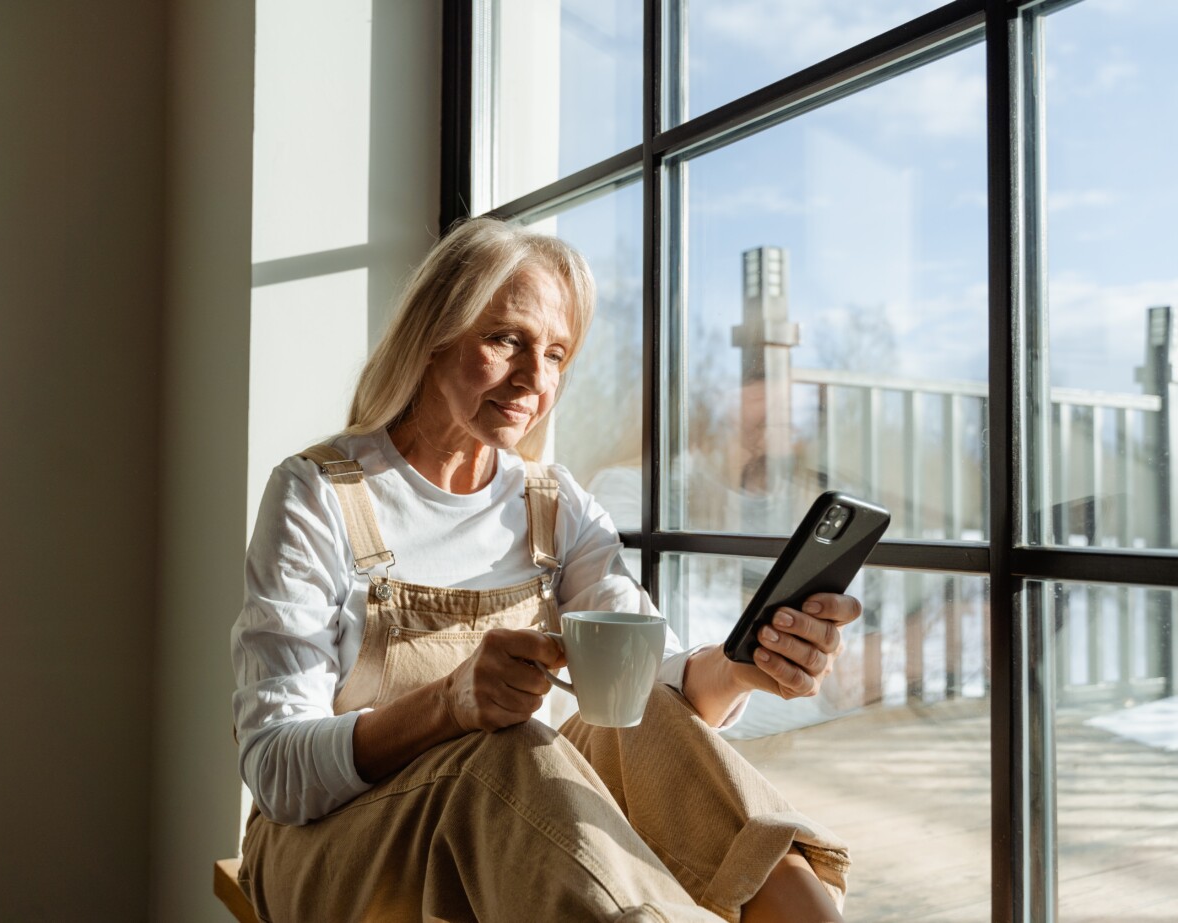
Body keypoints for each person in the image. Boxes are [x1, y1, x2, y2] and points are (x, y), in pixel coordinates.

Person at [231, 217, 860, 922]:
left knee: (638, 715)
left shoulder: (553, 503)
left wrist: (745, 665)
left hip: (489, 839)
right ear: (433, 335)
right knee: (505, 752)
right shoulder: (319, 493)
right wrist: (449, 704)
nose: (535, 379)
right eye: (505, 340)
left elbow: (654, 680)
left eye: (556, 353)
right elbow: (277, 768)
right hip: (328, 847)